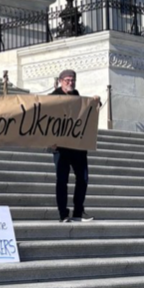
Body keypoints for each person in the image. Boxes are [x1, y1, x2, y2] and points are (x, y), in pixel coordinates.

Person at [49, 68, 93, 223]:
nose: (70, 83)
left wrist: (95, 103)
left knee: (83, 178)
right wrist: (50, 142)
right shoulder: (52, 98)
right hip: (60, 147)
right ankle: (63, 213)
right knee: (62, 180)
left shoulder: (77, 95)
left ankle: (78, 211)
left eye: (72, 80)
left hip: (77, 146)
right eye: (67, 80)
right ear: (60, 81)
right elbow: (45, 121)